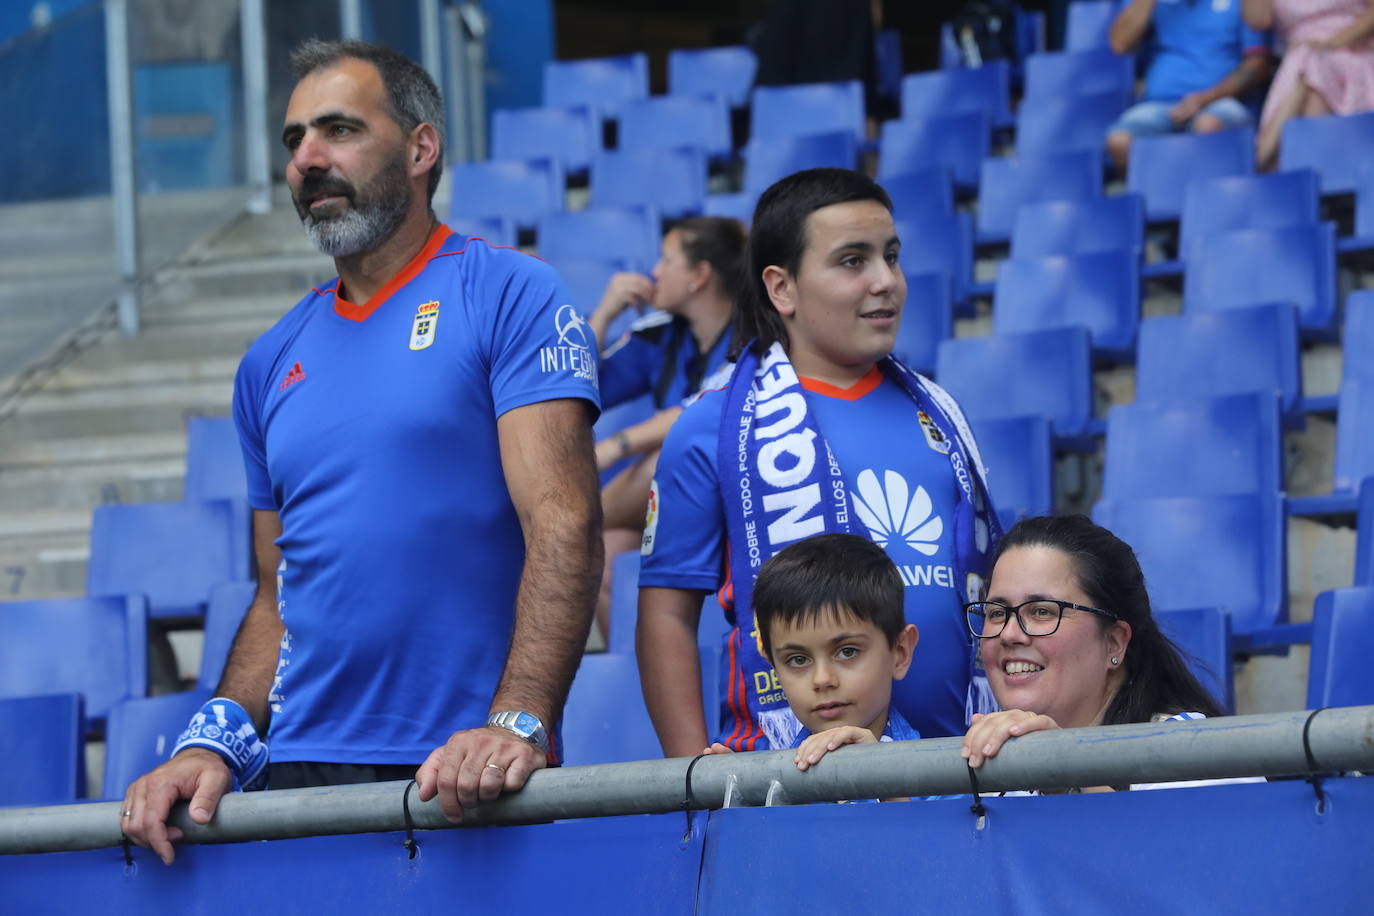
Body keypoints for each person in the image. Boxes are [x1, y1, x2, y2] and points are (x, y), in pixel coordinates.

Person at [119, 39, 603, 865]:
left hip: (465, 770)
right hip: (303, 776)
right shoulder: (270, 359)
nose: (307, 159)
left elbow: (565, 522)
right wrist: (210, 742)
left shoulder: (511, 294)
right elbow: (278, 595)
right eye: (294, 140)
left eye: (338, 130)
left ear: (422, 147)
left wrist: (516, 720)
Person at [637, 168, 1001, 759]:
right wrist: (692, 780)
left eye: (891, 256)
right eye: (853, 261)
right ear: (782, 288)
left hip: (957, 769)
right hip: (790, 781)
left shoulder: (942, 411)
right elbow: (665, 618)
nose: (886, 281)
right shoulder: (711, 426)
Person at [960, 515, 1232, 792]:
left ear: (1114, 642)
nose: (1009, 634)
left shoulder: (1195, 753)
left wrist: (1063, 769)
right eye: (996, 613)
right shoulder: (986, 767)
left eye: (1042, 611)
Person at [586, 219, 745, 638]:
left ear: (699, 276)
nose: (654, 272)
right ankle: (639, 688)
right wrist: (604, 313)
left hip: (738, 495)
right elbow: (578, 389)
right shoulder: (661, 336)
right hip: (675, 503)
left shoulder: (757, 333)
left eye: (667, 260)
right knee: (604, 555)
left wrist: (616, 447)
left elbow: (705, 410)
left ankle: (567, 527)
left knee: (668, 457)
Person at [701, 533, 920, 773]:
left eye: (847, 652)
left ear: (899, 653)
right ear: (773, 664)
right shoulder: (764, 783)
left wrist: (882, 780)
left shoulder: (946, 773)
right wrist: (742, 805)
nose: (822, 679)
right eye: (798, 659)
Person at [1107, 0, 1271, 172]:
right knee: (1119, 141)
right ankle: (1159, 195)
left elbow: (1257, 66)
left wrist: (1203, 99)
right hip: (1160, 106)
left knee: (1207, 125)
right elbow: (1119, 45)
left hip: (1221, 103)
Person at [1243, 0, 1374, 169]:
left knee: (1311, 70)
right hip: (1298, 64)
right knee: (1309, 73)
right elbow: (1258, 20)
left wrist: (1331, 44)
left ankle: (1265, 152)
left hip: (1354, 52)